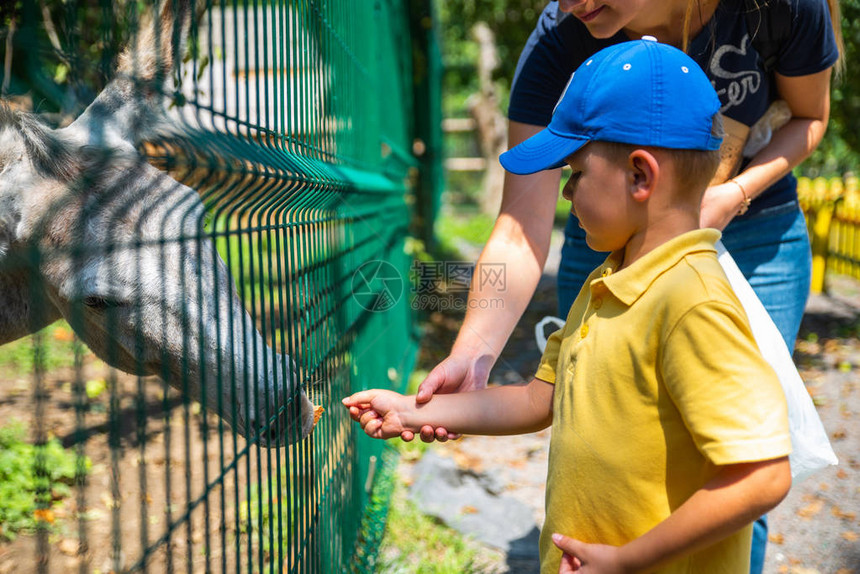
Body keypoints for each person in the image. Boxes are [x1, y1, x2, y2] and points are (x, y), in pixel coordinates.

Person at [415, 2, 840, 570]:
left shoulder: (782, 9)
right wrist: (470, 356)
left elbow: (757, 474)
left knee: (726, 453)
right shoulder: (559, 40)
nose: (568, 5)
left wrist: (732, 195)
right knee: (594, 412)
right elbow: (519, 230)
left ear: (640, 174)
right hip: (618, 234)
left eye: (572, 175)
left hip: (755, 221)